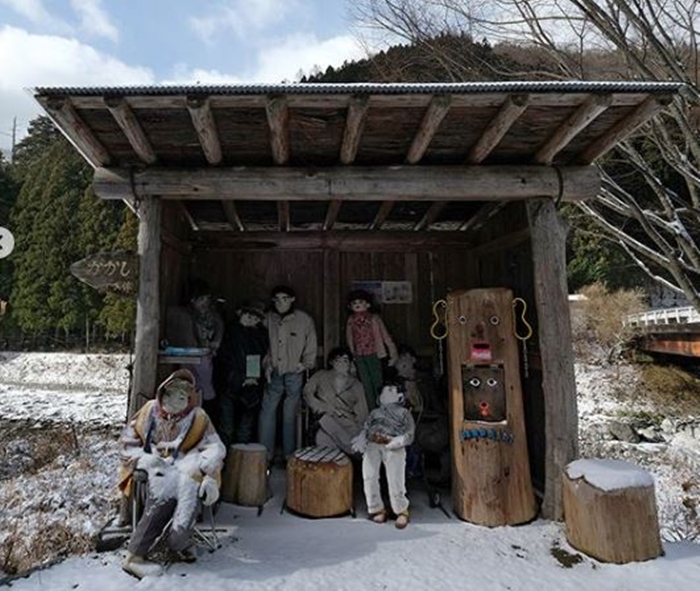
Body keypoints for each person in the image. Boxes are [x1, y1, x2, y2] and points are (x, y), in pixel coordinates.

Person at [118, 369, 226, 579]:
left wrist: (210, 475)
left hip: (187, 467)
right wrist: (143, 458)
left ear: (190, 398)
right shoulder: (149, 410)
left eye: (182, 395)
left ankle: (180, 542)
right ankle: (134, 556)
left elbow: (215, 447)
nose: (175, 400)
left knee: (186, 505)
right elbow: (127, 441)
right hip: (157, 467)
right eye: (170, 393)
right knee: (160, 499)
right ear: (162, 393)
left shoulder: (198, 417)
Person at [259, 285, 317, 463]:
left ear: (292, 299)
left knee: (290, 412)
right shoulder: (268, 318)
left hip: (294, 370)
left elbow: (311, 343)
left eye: (285, 299)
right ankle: (264, 454)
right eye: (277, 299)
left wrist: (305, 364)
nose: (280, 303)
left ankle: (289, 455)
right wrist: (266, 363)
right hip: (274, 370)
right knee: (267, 410)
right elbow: (261, 343)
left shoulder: (303, 319)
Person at [352, 381, 415, 529]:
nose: (388, 394)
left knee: (395, 478)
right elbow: (366, 427)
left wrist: (397, 441)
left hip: (393, 444)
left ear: (400, 396)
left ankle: (401, 510)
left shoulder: (404, 413)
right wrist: (362, 438)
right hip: (373, 443)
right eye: (385, 392)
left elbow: (409, 434)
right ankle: (376, 508)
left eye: (392, 391)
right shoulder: (375, 413)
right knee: (369, 475)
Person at [165, 279, 224, 417]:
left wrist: (214, 344)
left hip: (205, 357)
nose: (205, 302)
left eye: (206, 298)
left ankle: (207, 416)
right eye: (200, 299)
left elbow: (218, 334)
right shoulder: (185, 315)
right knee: (188, 385)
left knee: (206, 387)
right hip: (186, 355)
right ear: (192, 300)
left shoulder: (213, 316)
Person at [216, 299, 269, 447]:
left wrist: (253, 379)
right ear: (240, 313)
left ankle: (240, 464)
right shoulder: (229, 332)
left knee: (245, 430)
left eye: (256, 317)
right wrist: (240, 378)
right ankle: (224, 463)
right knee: (226, 428)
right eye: (249, 315)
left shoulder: (261, 336)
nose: (252, 319)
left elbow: (261, 360)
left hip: (252, 386)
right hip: (229, 385)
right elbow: (223, 361)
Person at [303, 346, 368, 455]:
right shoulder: (321, 375)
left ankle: (352, 448)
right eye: (338, 360)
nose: (342, 363)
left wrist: (361, 431)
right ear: (331, 362)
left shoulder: (356, 384)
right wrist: (319, 406)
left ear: (350, 364)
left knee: (331, 433)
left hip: (347, 423)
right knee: (322, 436)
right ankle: (352, 449)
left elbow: (362, 411)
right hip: (325, 416)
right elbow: (307, 392)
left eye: (345, 361)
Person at [346, 289, 398, 409]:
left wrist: (393, 353)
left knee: (377, 383)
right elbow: (349, 338)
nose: (357, 304)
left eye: (361, 302)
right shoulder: (351, 320)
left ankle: (382, 409)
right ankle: (371, 410)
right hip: (359, 355)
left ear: (368, 304)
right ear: (350, 306)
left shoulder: (374, 318)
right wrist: (352, 354)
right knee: (366, 385)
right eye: (354, 303)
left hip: (374, 354)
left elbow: (386, 337)